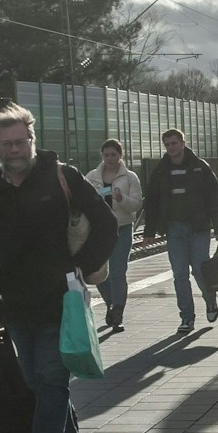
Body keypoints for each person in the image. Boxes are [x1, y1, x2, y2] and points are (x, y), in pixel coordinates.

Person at [0, 104, 115, 433]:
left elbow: (106, 223)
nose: (15, 149)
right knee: (37, 381)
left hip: (60, 301)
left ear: (32, 141)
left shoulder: (61, 177)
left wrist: (80, 266)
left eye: (21, 141)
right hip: (16, 305)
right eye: (7, 144)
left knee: (53, 378)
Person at [144, 128, 218, 332]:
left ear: (183, 143)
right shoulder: (161, 170)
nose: (171, 147)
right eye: (167, 144)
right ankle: (187, 318)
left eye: (174, 143)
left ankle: (210, 300)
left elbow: (214, 198)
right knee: (180, 274)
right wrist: (149, 231)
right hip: (174, 229)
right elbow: (152, 201)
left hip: (198, 228)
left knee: (199, 269)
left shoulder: (200, 167)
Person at [85, 139, 144, 330]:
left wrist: (121, 198)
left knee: (118, 272)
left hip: (122, 228)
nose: (110, 158)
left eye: (114, 154)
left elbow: (136, 204)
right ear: (102, 156)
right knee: (98, 272)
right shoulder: (91, 177)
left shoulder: (130, 177)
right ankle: (111, 303)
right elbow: (83, 201)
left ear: (120, 155)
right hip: (99, 230)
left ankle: (117, 311)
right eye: (106, 155)